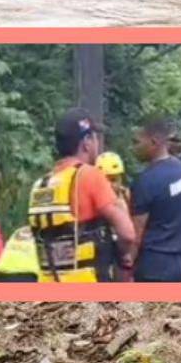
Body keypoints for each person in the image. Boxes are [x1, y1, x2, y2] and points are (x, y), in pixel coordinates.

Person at [28, 108, 136, 282]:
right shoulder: (90, 176)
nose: (97, 143)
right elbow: (127, 234)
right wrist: (124, 257)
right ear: (86, 142)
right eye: (94, 137)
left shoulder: (40, 185)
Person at [128, 118, 181, 282]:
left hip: (151, 265)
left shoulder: (146, 180)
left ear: (153, 142)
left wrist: (127, 265)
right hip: (178, 262)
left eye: (137, 142)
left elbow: (136, 235)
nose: (134, 148)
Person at [96, 150, 132, 280]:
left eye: (113, 180)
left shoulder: (126, 196)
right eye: (105, 180)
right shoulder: (94, 200)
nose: (110, 185)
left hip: (122, 251)